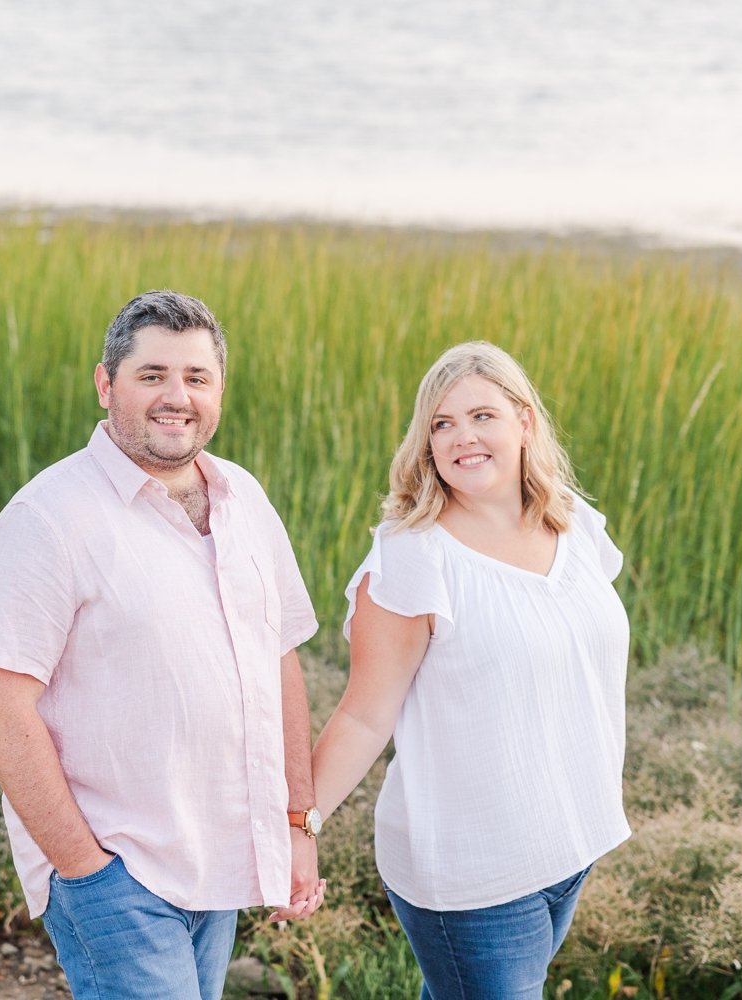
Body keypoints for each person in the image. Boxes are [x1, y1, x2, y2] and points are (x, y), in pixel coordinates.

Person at [0, 290, 326, 1000]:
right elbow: (0, 705)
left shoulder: (244, 499)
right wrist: (85, 869)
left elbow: (277, 659)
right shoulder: (47, 517)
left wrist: (295, 824)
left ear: (219, 389)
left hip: (219, 864)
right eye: (152, 375)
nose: (176, 397)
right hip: (117, 870)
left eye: (196, 378)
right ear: (106, 383)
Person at [311, 341, 630, 998]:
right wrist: (297, 826)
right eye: (442, 423)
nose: (464, 437)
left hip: (570, 843)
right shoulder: (412, 557)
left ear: (525, 422)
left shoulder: (573, 523)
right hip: (473, 868)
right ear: (426, 443)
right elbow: (366, 714)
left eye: (482, 415)